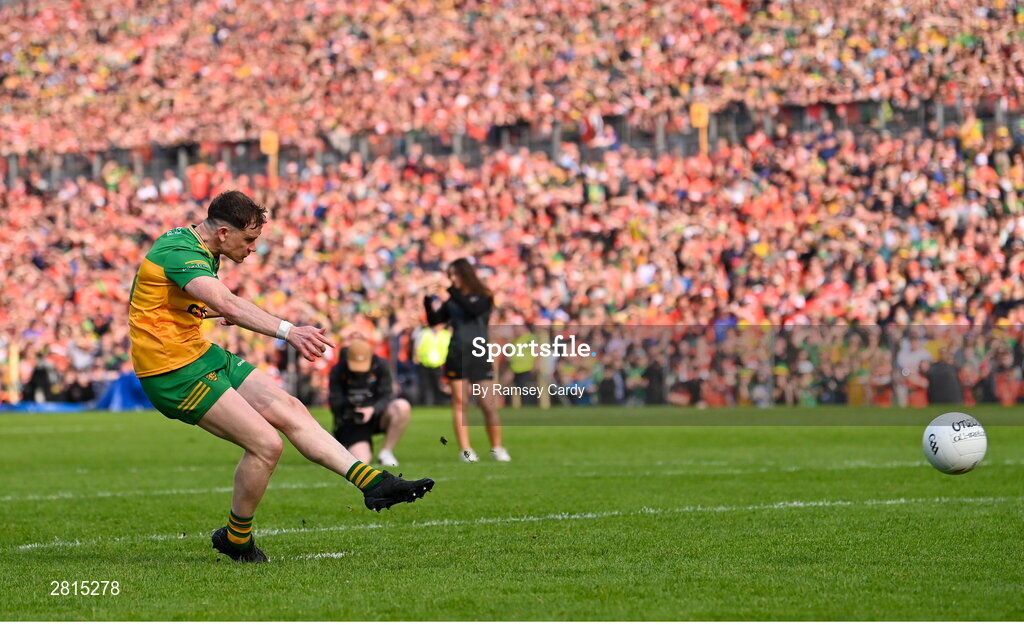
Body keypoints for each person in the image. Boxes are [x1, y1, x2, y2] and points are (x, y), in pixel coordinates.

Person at [128, 190, 433, 563]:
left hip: (198, 353)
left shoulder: (198, 245)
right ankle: (236, 539)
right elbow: (226, 302)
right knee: (266, 445)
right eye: (250, 239)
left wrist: (201, 313)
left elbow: (160, 302)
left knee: (289, 407)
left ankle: (374, 483)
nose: (253, 248)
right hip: (172, 370)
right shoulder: (181, 251)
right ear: (223, 233)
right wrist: (290, 331)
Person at [424, 258, 509, 462]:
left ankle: (497, 447)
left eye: (455, 275)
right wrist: (427, 299)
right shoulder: (452, 300)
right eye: (450, 275)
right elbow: (436, 321)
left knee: (488, 404)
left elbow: (473, 310)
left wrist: (450, 291)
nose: (452, 279)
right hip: (456, 353)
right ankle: (466, 450)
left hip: (479, 354)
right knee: (460, 403)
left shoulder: (484, 296)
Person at [328, 338, 411, 468]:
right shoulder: (338, 370)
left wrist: (373, 409)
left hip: (377, 414)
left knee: (402, 406)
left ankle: (386, 452)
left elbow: (387, 395)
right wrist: (349, 403)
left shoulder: (381, 365)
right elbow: (334, 403)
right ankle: (348, 445)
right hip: (353, 420)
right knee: (361, 462)